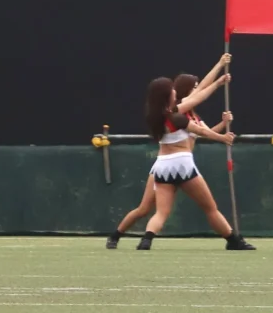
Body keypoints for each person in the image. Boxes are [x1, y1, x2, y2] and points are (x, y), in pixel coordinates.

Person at [105, 60, 230, 247]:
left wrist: (219, 77)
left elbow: (204, 123)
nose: (197, 89)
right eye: (192, 88)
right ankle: (116, 235)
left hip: (165, 164)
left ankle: (135, 238)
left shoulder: (184, 114)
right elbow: (201, 95)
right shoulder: (178, 111)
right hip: (176, 163)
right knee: (144, 208)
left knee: (154, 210)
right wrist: (219, 75)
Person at [135, 71, 255, 253]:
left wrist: (218, 78)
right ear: (167, 96)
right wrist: (223, 138)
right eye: (172, 90)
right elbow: (202, 130)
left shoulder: (156, 117)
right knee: (210, 208)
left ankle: (146, 239)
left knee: (161, 212)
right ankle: (233, 240)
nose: (175, 92)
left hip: (161, 166)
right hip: (182, 164)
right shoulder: (176, 115)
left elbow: (197, 96)